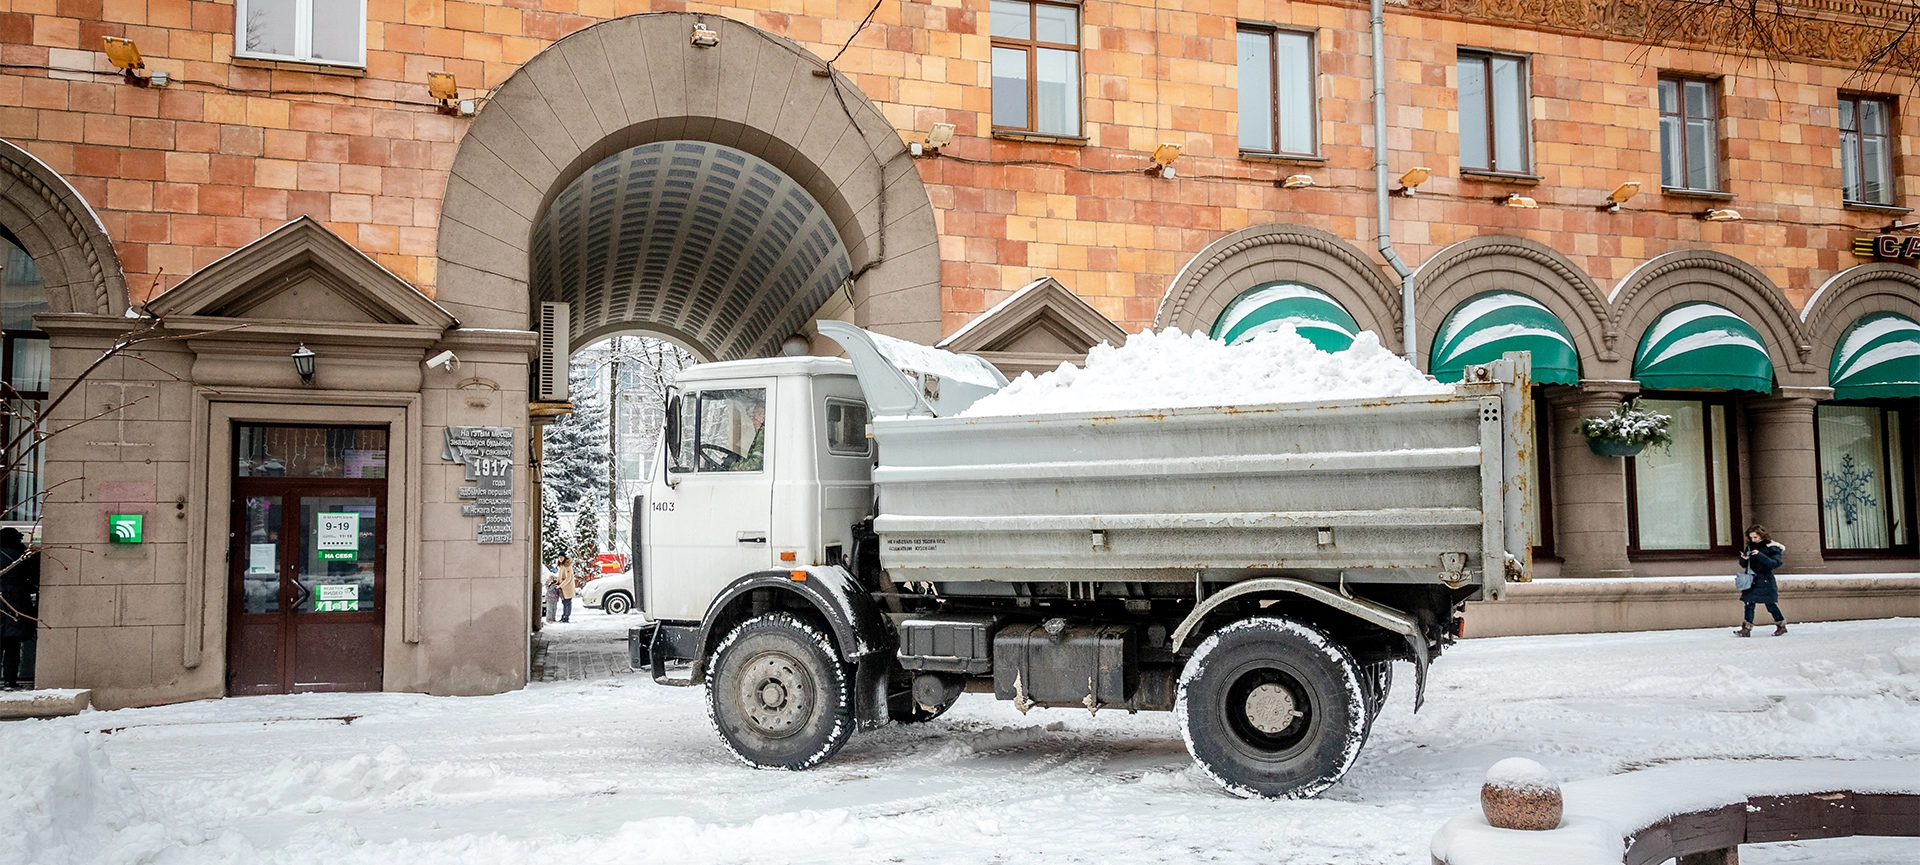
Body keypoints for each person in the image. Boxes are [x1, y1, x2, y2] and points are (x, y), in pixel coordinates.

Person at [1, 527, 39, 690]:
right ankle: (9, 681)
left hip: (3, 602)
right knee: (12, 645)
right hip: (17, 605)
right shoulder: (23, 557)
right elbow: (34, 581)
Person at [1736, 525, 1787, 638]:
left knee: (1770, 604)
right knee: (1749, 603)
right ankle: (1746, 628)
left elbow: (1775, 563)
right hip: (1751, 578)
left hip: (1765, 579)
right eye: (1751, 537)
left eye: (1755, 537)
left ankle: (1781, 624)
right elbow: (1745, 565)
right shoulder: (1750, 547)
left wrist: (1760, 555)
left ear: (1762, 535)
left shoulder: (1772, 547)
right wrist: (1743, 559)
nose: (1753, 540)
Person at [555, 555, 577, 623]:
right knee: (564, 602)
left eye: (562, 557)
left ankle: (566, 617)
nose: (560, 559)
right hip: (563, 587)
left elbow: (568, 578)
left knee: (567, 602)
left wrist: (560, 585)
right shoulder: (562, 566)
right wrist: (557, 582)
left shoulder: (567, 566)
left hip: (567, 588)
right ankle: (564, 616)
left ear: (564, 558)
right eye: (559, 557)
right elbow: (560, 576)